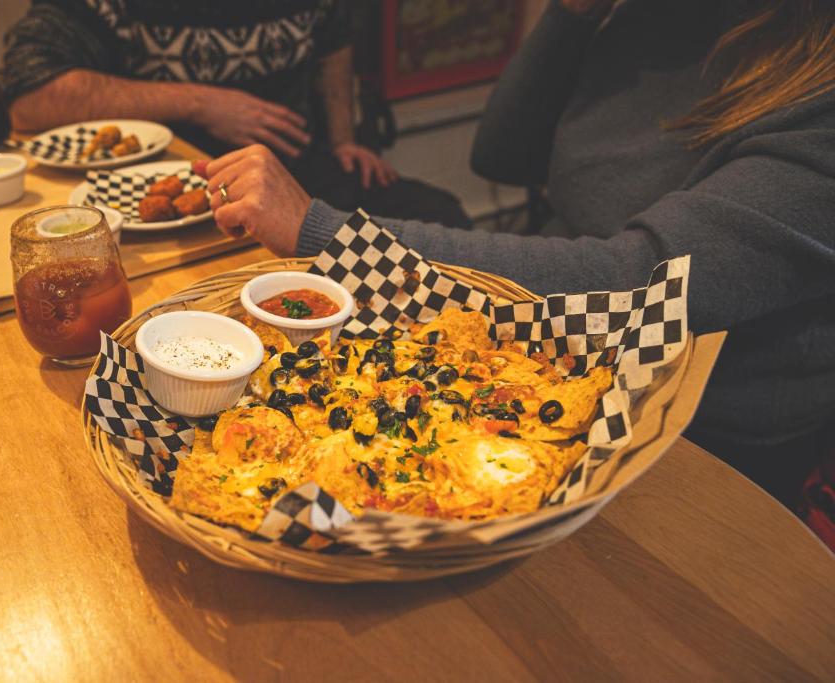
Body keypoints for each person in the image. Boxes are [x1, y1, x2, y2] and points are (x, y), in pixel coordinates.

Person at [198, 0, 835, 514]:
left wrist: (320, 231)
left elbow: (640, 282)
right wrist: (572, 13)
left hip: (706, 445)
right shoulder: (658, 17)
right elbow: (502, 155)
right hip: (538, 363)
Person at [2, 0, 471, 227]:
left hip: (300, 173)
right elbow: (28, 98)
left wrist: (345, 139)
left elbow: (335, 41)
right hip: (181, 188)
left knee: (440, 214)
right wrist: (202, 103)